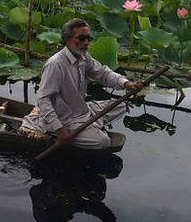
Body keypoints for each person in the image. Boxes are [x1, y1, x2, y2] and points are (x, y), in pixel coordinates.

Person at [20, 18, 143, 149]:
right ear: (67, 40)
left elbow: (103, 73)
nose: (86, 43)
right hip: (64, 118)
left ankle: (89, 125)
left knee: (121, 106)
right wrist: (60, 131)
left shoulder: (83, 57)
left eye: (88, 39)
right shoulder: (55, 64)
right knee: (103, 142)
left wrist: (126, 84)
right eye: (81, 38)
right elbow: (43, 100)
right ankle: (70, 129)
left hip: (81, 110)